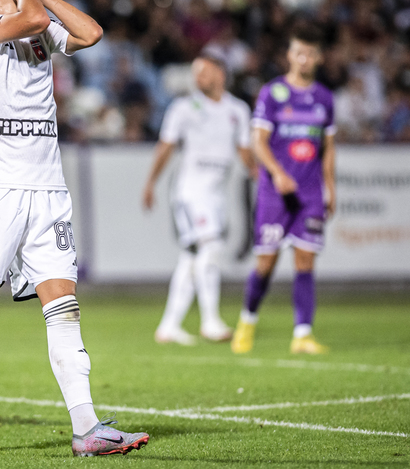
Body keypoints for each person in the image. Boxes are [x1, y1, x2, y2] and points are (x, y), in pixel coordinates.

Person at [0, 0, 149, 457]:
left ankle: (87, 428)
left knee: (64, 307)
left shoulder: (37, 27)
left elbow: (90, 33)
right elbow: (32, 16)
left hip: (49, 190)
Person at [231, 24, 336, 355]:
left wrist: (331, 187)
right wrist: (277, 173)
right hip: (275, 193)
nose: (304, 59)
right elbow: (258, 142)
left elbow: (328, 149)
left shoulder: (324, 98)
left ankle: (302, 334)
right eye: (299, 53)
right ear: (289, 55)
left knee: (306, 259)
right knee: (266, 263)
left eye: (310, 54)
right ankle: (247, 321)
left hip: (310, 192)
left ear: (319, 58)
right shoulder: (272, 93)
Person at [142, 54, 256, 346]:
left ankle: (169, 326)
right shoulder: (183, 108)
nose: (198, 78)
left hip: (216, 193)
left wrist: (260, 175)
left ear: (220, 74)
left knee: (192, 256)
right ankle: (210, 321)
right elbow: (166, 146)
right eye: (196, 73)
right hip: (190, 192)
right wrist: (151, 182)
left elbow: (244, 150)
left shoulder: (238, 110)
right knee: (211, 246)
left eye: (204, 72)